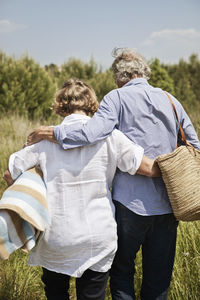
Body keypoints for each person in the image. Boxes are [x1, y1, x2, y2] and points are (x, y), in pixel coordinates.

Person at [27, 48, 200, 300]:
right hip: (168, 203)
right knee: (159, 278)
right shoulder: (171, 100)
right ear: (144, 72)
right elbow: (194, 147)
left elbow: (91, 134)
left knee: (122, 273)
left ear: (120, 76)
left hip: (129, 205)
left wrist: (50, 133)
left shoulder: (116, 98)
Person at [4, 79, 160, 300]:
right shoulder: (110, 136)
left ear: (61, 104)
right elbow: (145, 166)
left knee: (56, 292)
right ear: (91, 104)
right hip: (98, 236)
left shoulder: (43, 141)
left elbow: (10, 173)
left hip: (57, 235)